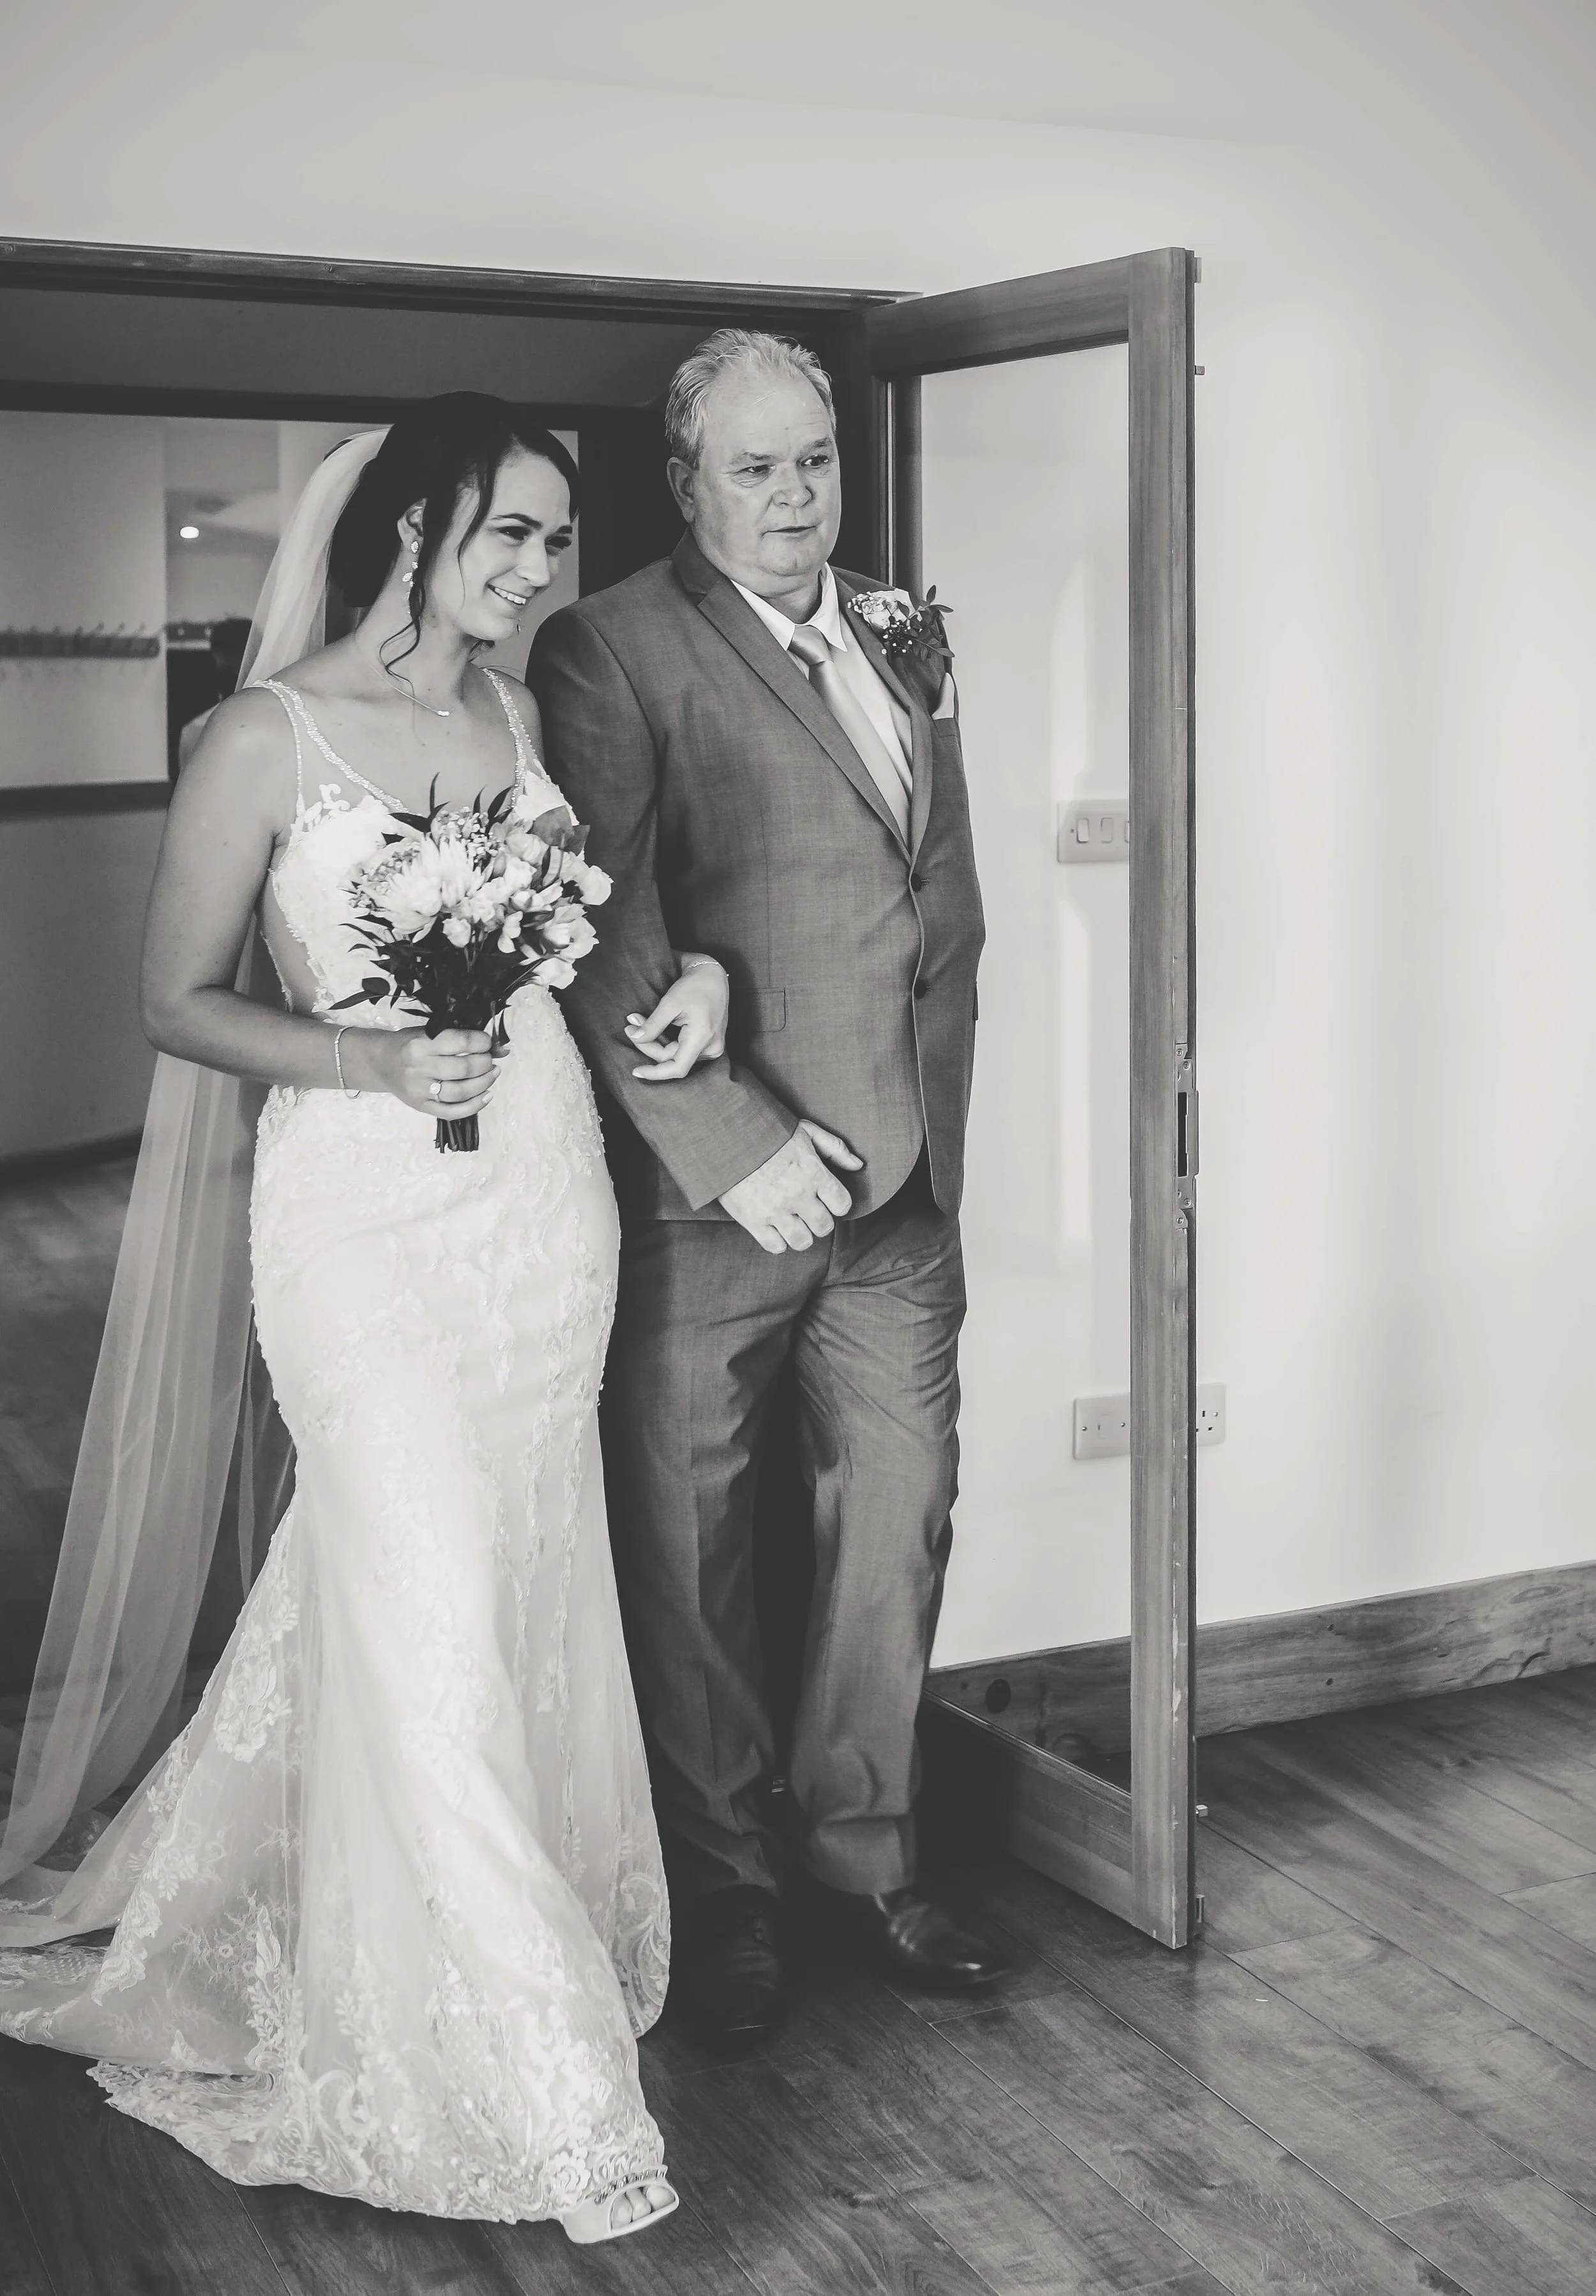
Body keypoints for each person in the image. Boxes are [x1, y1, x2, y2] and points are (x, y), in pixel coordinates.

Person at [0, 398, 729, 2242]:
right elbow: (174, 999)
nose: (539, 572)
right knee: (416, 1591)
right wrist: (369, 1050)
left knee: (511, 1570)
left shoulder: (509, 712)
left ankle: (467, 1925)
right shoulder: (265, 734)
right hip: (360, 1210)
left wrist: (689, 976)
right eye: (510, 535)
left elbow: (587, 928)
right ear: (411, 528)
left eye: (557, 542)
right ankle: (544, 2078)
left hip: (539, 1191)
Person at [529, 329, 1009, 2046]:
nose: (797, 492)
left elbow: (923, 888)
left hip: (898, 1192)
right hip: (711, 1200)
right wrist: (734, 1145)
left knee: (899, 1518)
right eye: (757, 466)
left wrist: (930, 1130)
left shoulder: (893, 621)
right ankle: (724, 1892)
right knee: (698, 1551)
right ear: (687, 483)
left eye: (812, 458)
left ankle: (864, 1854)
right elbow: (598, 923)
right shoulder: (613, 646)